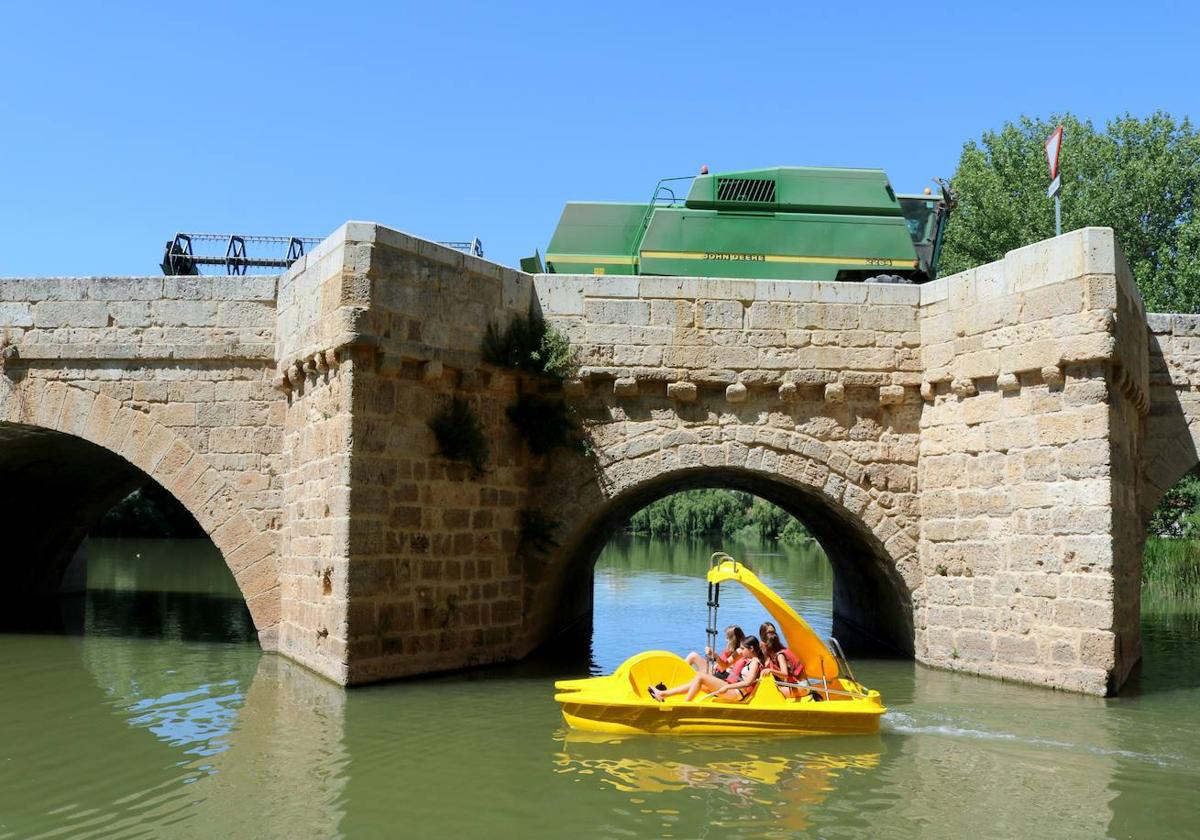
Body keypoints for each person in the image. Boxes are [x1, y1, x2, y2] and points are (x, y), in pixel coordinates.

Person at [651, 636, 766, 703]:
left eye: (743, 648)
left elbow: (748, 682)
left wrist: (726, 687)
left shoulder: (755, 662)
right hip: (731, 688)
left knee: (701, 677)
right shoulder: (748, 658)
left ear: (751, 648)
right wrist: (715, 655)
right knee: (701, 684)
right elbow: (725, 665)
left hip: (736, 694)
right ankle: (663, 694)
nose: (740, 651)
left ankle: (685, 705)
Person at [761, 628, 804, 698]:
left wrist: (770, 670)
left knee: (769, 693)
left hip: (802, 687)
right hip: (798, 685)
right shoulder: (781, 652)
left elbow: (785, 674)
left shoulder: (780, 656)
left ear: (767, 646)